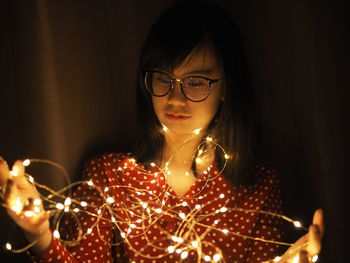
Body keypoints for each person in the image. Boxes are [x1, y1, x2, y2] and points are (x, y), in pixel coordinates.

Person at [0, 1, 324, 262]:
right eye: (163, 78)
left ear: (227, 87)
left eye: (196, 82)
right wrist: (39, 232)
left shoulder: (259, 188)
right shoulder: (108, 176)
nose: (175, 98)